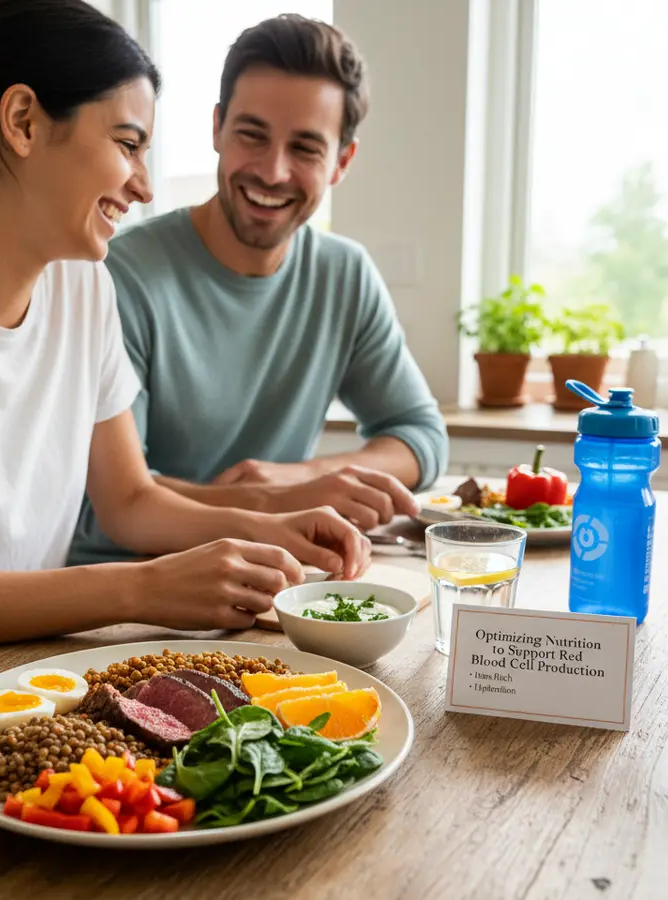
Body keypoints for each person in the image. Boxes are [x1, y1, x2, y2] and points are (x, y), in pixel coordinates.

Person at [0, 0, 370, 685]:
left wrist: (270, 527)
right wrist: (141, 588)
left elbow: (130, 501)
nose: (144, 185)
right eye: (127, 144)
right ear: (23, 121)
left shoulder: (83, 291)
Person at [70, 14, 448, 566]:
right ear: (217, 129)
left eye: (306, 148)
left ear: (341, 162)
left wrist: (306, 477)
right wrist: (278, 502)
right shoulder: (118, 276)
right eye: (252, 135)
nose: (273, 172)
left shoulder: (344, 274)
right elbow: (113, 502)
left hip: (273, 581)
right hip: (125, 588)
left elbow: (421, 435)